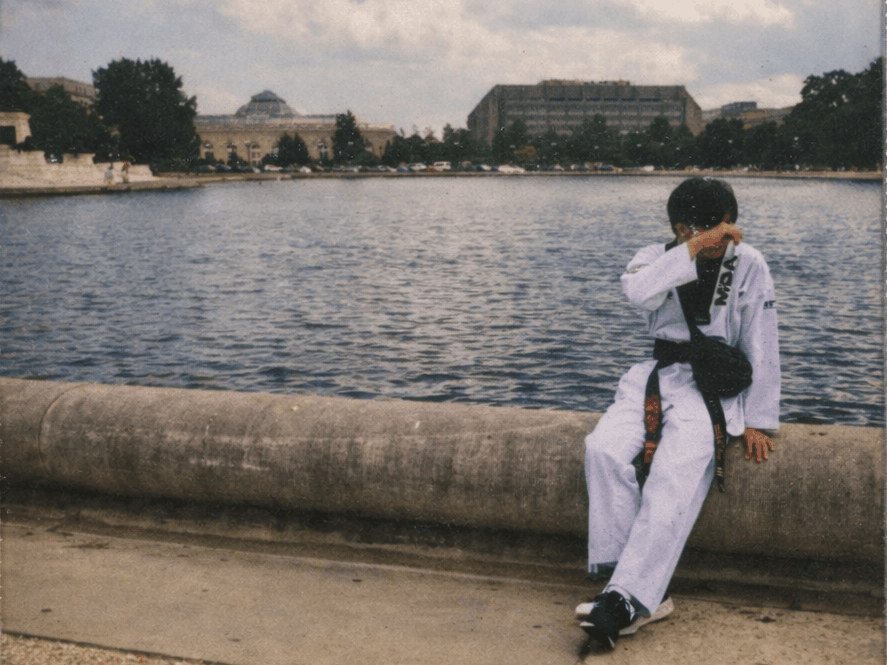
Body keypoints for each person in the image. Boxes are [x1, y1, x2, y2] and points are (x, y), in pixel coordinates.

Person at [576, 177, 780, 650]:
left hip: (710, 385)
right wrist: (690, 250)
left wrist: (759, 419)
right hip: (657, 372)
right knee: (602, 451)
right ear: (680, 227)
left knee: (675, 472)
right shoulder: (652, 256)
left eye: (724, 227)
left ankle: (626, 599)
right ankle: (630, 582)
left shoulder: (748, 263)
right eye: (702, 230)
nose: (717, 240)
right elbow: (638, 292)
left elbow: (762, 337)